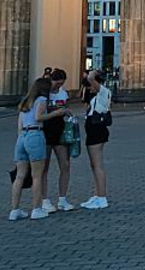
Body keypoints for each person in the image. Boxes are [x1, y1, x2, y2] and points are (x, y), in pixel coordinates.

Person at [9, 78, 67, 221]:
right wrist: (57, 113)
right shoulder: (41, 99)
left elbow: (19, 125)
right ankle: (37, 209)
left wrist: (21, 139)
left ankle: (14, 210)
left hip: (22, 137)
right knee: (37, 176)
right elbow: (38, 117)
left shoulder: (25, 101)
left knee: (20, 176)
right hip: (35, 134)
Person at [40, 69, 75, 214]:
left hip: (60, 131)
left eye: (61, 84)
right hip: (45, 131)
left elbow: (66, 107)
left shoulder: (63, 93)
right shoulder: (44, 94)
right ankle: (44, 200)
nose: (58, 86)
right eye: (56, 83)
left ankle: (62, 199)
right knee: (44, 167)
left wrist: (67, 112)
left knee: (65, 165)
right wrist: (55, 111)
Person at [81, 69, 112, 210]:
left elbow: (92, 78)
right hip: (93, 130)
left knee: (97, 165)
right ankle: (97, 194)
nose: (90, 88)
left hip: (97, 131)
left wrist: (92, 72)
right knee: (94, 165)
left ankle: (102, 197)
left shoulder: (103, 92)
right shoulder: (96, 96)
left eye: (91, 85)